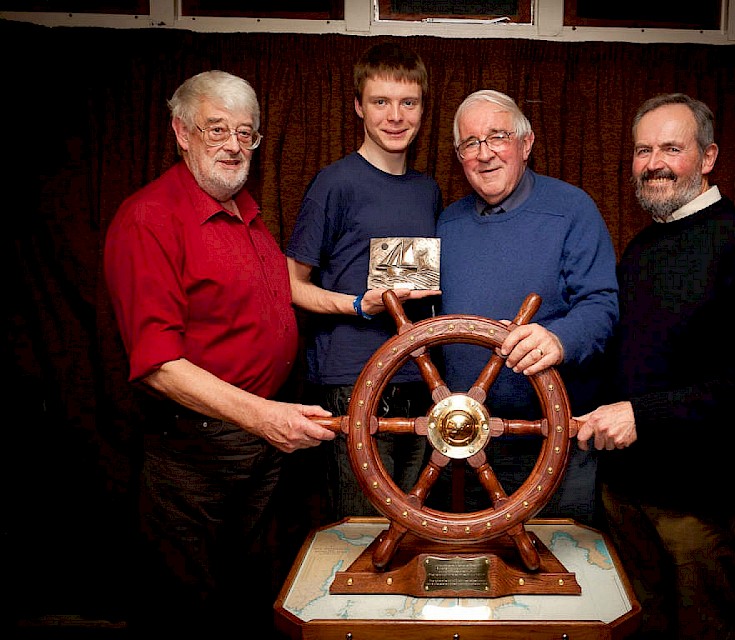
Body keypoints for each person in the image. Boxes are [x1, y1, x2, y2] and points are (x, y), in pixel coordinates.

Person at [103, 70, 335, 638]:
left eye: (246, 133)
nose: (234, 144)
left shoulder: (245, 213)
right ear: (181, 133)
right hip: (195, 450)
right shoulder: (150, 219)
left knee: (244, 597)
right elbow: (159, 364)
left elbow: (281, 300)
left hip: (256, 443)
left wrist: (360, 303)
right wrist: (265, 417)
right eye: (217, 130)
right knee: (187, 607)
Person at [574, 93, 735, 639]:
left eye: (672, 148)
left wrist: (642, 415)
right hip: (625, 496)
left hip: (701, 506)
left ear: (709, 157)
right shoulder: (643, 247)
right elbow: (630, 360)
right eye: (643, 149)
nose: (654, 163)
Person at [433, 89, 619, 523]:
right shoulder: (447, 222)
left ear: (526, 142)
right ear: (459, 155)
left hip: (554, 440)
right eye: (470, 143)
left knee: (564, 563)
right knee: (473, 569)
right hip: (463, 440)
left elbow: (602, 305)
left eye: (497, 136)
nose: (484, 154)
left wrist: (557, 337)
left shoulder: (573, 208)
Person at [285, 42, 442, 521]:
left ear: (421, 109)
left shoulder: (428, 189)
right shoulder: (335, 182)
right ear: (358, 106)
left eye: (407, 103)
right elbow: (290, 284)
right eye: (380, 102)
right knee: (361, 528)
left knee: (418, 523)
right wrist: (359, 305)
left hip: (419, 377)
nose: (395, 116)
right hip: (351, 380)